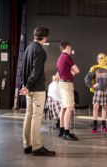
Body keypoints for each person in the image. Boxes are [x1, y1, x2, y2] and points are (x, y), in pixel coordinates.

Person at [20, 26, 56, 156]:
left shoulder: (28, 48)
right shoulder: (40, 51)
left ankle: (27, 145)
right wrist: (28, 85)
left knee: (29, 115)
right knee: (36, 116)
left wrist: (25, 85)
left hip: (29, 88)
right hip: (37, 89)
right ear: (45, 38)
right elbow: (36, 71)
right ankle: (36, 147)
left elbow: (23, 70)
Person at [84, 53, 107, 133]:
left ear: (105, 58)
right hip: (98, 90)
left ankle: (103, 126)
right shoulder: (94, 68)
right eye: (98, 58)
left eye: (101, 58)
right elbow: (87, 79)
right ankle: (94, 126)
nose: (99, 60)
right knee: (95, 108)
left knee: (104, 108)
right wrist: (92, 85)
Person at [57, 41, 80, 141]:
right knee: (70, 108)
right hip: (66, 85)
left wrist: (70, 73)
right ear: (67, 47)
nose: (71, 50)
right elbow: (77, 70)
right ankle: (66, 132)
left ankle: (62, 130)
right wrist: (73, 73)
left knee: (64, 107)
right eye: (70, 48)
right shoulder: (67, 57)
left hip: (62, 83)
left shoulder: (60, 57)